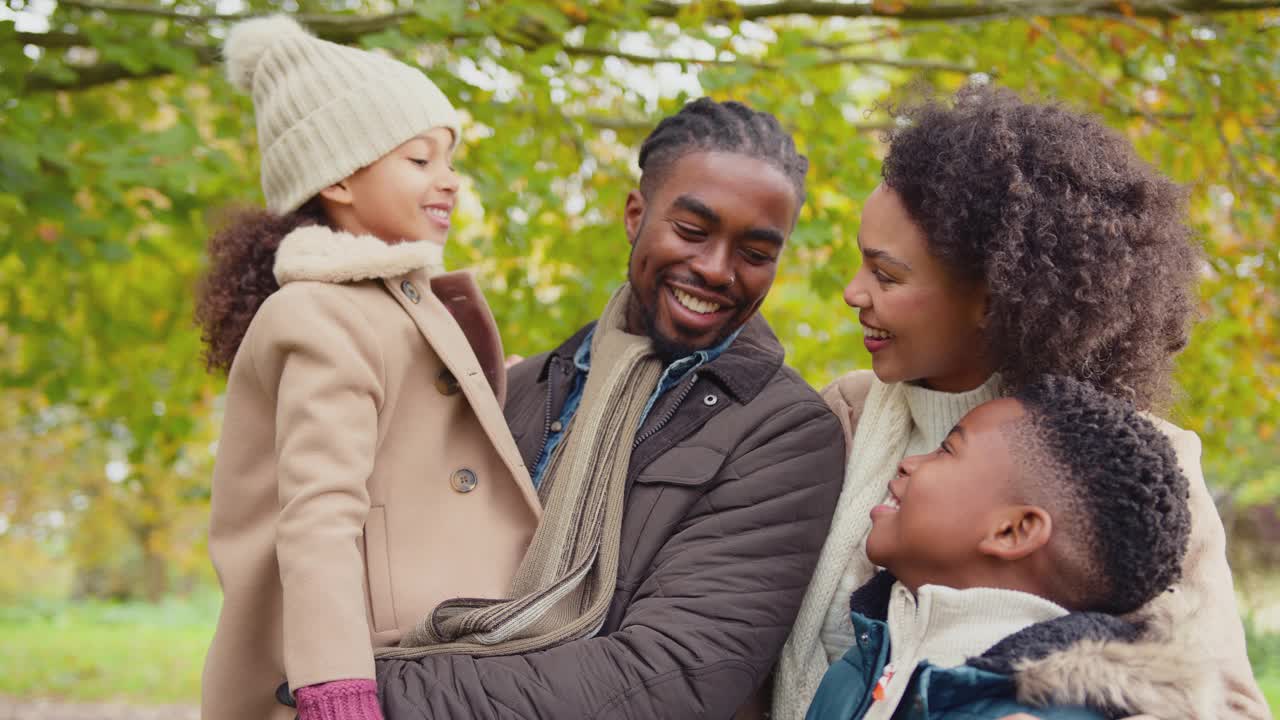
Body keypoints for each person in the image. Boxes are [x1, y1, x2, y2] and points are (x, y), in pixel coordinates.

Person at [774, 84, 1268, 719]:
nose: (851, 292)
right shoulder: (838, 418)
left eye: (886, 274)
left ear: (993, 296)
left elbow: (1221, 703)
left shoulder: (1116, 475)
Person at [375, 98, 847, 719]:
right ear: (635, 214)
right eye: (692, 231)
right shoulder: (522, 388)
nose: (715, 269)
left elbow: (671, 676)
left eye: (756, 254)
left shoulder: (784, 433)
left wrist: (360, 688)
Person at [196, 16, 540, 720]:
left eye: (449, 160)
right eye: (419, 161)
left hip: (445, 656)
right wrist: (336, 684)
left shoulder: (403, 307)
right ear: (341, 181)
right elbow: (318, 513)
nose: (448, 182)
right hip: (367, 668)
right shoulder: (321, 315)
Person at [807, 376, 1210, 720]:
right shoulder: (858, 667)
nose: (909, 462)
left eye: (947, 449)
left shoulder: (1050, 711)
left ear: (1012, 532)